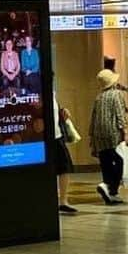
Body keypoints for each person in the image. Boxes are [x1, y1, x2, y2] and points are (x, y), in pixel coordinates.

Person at [89, 67, 128, 205]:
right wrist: (125, 131)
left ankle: (107, 187)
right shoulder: (116, 94)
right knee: (119, 160)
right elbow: (120, 114)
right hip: (112, 133)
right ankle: (111, 188)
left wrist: (91, 137)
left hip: (98, 134)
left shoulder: (98, 97)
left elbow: (93, 117)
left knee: (105, 162)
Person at [52, 85, 78, 215]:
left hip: (57, 136)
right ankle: (60, 200)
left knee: (64, 167)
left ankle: (63, 200)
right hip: (48, 137)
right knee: (61, 167)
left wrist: (62, 112)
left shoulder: (53, 93)